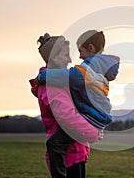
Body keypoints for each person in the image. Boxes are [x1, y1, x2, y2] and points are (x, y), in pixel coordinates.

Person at [29, 33, 100, 178]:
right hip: (67, 155)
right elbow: (68, 117)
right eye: (65, 55)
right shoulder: (53, 87)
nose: (69, 59)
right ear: (54, 58)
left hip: (74, 151)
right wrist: (93, 132)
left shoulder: (58, 82)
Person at [37, 30, 120, 129]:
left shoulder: (92, 66)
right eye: (66, 55)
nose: (79, 56)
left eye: (81, 51)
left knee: (54, 142)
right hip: (99, 113)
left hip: (93, 115)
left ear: (90, 48)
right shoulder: (101, 66)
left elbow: (71, 76)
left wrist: (43, 75)